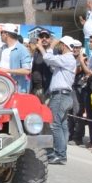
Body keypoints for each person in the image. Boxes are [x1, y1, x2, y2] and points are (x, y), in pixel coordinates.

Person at [35, 36, 76, 165]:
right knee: (62, 126)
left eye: (60, 45)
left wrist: (51, 46)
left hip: (60, 96)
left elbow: (48, 58)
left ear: (63, 45)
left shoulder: (67, 58)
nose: (58, 47)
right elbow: (50, 62)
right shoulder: (67, 59)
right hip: (63, 96)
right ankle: (60, 152)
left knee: (55, 124)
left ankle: (60, 153)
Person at [0, 23, 32, 93]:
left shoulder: (22, 49)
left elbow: (27, 70)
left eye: (1, 33)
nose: (0, 35)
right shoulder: (2, 48)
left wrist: (7, 70)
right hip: (0, 88)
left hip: (15, 89)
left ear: (6, 34)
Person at [68, 40, 86, 146]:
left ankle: (78, 137)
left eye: (77, 48)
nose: (75, 49)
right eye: (73, 47)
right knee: (69, 113)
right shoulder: (69, 57)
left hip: (78, 87)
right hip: (69, 87)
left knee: (77, 112)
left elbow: (76, 71)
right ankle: (70, 134)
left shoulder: (82, 57)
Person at [30, 30, 56, 104]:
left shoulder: (55, 52)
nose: (44, 38)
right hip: (35, 89)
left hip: (47, 90)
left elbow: (52, 68)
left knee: (47, 113)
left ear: (50, 39)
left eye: (46, 37)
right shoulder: (36, 53)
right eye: (42, 36)